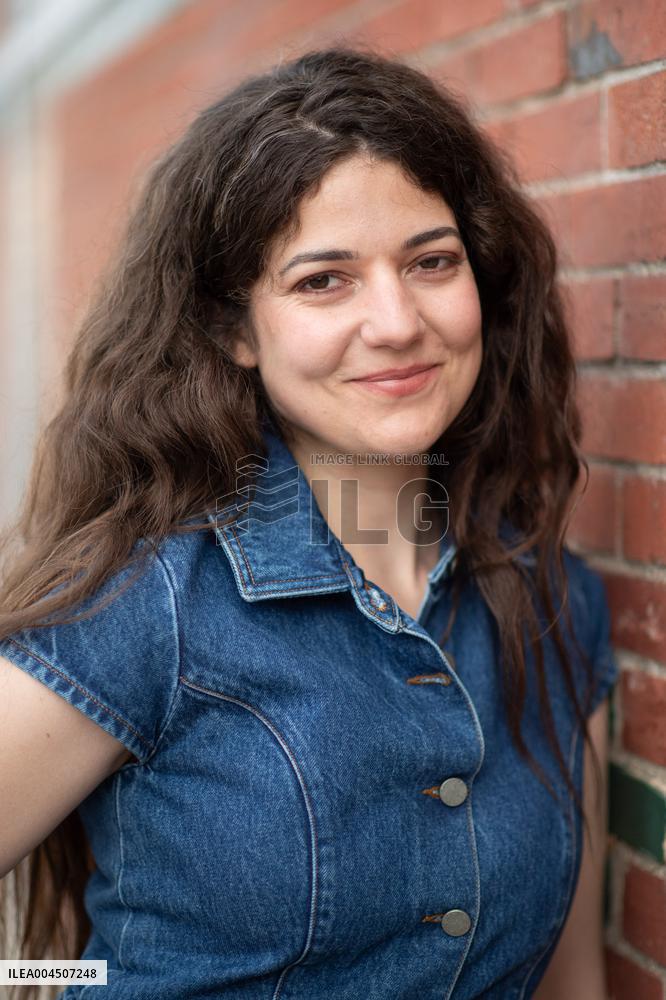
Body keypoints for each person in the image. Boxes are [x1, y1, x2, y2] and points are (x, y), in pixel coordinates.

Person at [0, 45, 618, 999]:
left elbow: (573, 981)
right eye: (323, 280)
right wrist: (63, 982)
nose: (399, 321)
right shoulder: (147, 604)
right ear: (235, 331)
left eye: (431, 262)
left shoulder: (553, 600)